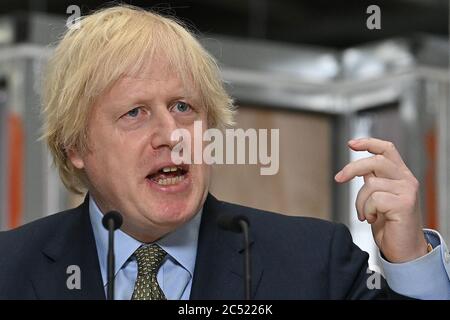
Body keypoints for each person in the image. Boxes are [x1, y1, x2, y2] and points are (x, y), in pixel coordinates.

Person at [0, 5, 448, 300]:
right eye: (135, 113)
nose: (171, 134)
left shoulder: (313, 264)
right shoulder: (9, 272)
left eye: (183, 107)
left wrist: (409, 258)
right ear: (76, 145)